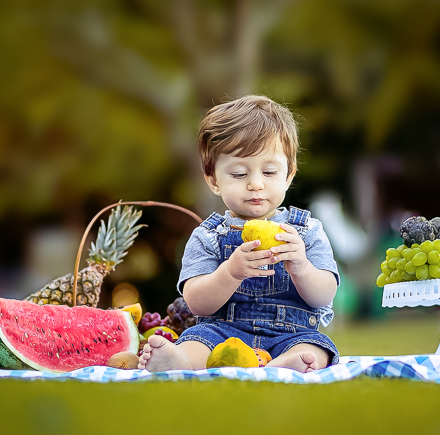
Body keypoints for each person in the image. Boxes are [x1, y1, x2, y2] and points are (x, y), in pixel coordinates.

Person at [140, 95, 340, 373]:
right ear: (213, 181)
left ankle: (287, 363)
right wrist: (230, 273)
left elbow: (324, 295)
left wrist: (302, 267)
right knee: (197, 342)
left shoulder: (306, 231)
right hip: (223, 332)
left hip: (290, 334)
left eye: (269, 172)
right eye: (238, 174)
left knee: (314, 348)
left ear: (289, 175)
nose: (255, 184)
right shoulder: (208, 236)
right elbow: (197, 303)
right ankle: (180, 362)